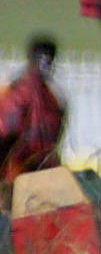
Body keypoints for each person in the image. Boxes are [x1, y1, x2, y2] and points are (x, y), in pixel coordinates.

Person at [0, 38, 63, 188]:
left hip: (38, 172)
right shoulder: (19, 93)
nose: (45, 67)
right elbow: (6, 132)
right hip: (18, 173)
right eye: (42, 61)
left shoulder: (50, 98)